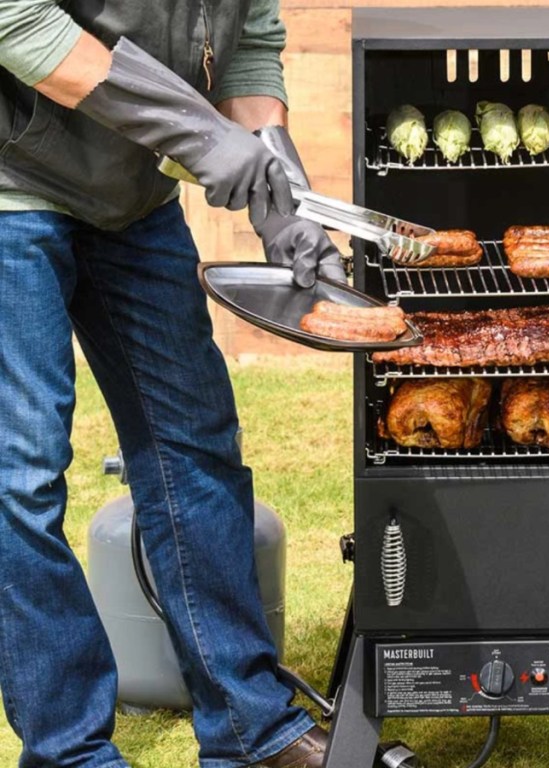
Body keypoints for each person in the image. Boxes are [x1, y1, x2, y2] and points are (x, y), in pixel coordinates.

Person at [0, 0, 342, 765]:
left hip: (133, 199)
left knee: (195, 445)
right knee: (18, 477)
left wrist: (276, 182)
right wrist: (201, 136)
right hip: (11, 186)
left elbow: (248, 44)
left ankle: (251, 727)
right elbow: (17, 21)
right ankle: (68, 749)